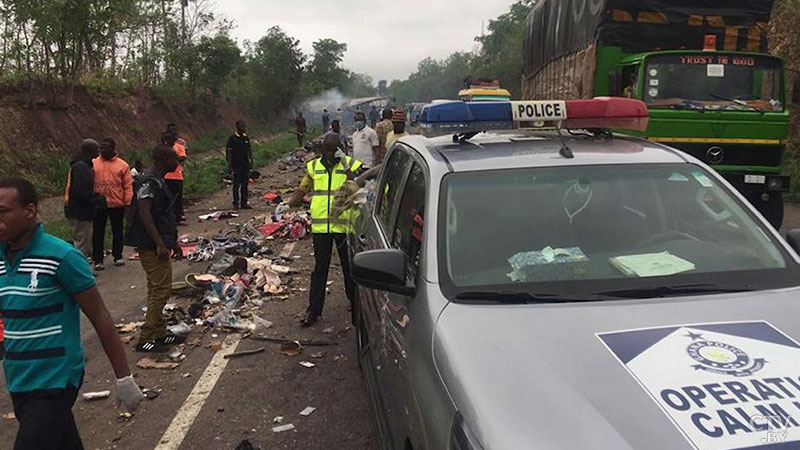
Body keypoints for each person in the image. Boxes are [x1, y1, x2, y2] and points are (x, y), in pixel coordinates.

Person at [0, 177, 143, 449]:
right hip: (19, 379)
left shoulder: (62, 257)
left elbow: (100, 317)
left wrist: (124, 378)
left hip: (55, 379)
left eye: (2, 212)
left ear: (29, 211)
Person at [276, 133, 363, 327]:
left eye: (335, 149)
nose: (331, 153)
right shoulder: (314, 167)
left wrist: (346, 165)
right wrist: (288, 205)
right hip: (321, 227)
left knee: (349, 268)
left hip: (344, 226)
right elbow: (303, 189)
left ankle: (356, 307)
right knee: (320, 269)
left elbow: (358, 187)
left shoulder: (350, 165)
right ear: (322, 149)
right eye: (328, 149)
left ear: (341, 148)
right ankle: (314, 311)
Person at [126, 145, 185, 353]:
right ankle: (146, 338)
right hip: (150, 244)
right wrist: (159, 243)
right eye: (173, 158)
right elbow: (145, 214)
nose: (177, 162)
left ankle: (159, 333)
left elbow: (163, 216)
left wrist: (172, 242)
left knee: (158, 287)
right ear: (162, 159)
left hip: (159, 241)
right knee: (160, 289)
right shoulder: (149, 182)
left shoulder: (158, 181)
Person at [92, 138, 133, 270]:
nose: (103, 150)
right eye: (101, 148)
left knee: (117, 231)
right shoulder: (93, 163)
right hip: (99, 204)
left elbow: (127, 185)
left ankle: (118, 256)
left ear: (113, 149)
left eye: (106, 148)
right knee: (98, 232)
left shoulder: (123, 165)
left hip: (117, 203)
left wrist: (128, 202)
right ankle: (98, 260)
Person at [64, 139, 106, 259]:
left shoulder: (82, 165)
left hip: (80, 209)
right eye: (96, 149)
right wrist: (97, 199)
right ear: (89, 150)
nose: (98, 152)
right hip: (80, 211)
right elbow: (81, 191)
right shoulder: (81, 167)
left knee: (83, 240)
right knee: (82, 242)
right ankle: (80, 270)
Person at [225, 120, 253, 210]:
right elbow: (229, 152)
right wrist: (230, 166)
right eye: (242, 127)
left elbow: (249, 151)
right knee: (236, 185)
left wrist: (251, 162)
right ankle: (236, 203)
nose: (244, 129)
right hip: (236, 165)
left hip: (245, 165)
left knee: (245, 185)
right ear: (237, 127)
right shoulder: (232, 138)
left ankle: (244, 203)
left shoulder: (246, 138)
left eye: (244, 127)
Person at [163, 125, 187, 224]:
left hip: (177, 175)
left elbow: (183, 158)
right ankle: (168, 218)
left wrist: (171, 157)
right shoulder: (163, 148)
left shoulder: (180, 146)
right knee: (166, 198)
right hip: (165, 176)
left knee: (177, 198)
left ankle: (178, 217)